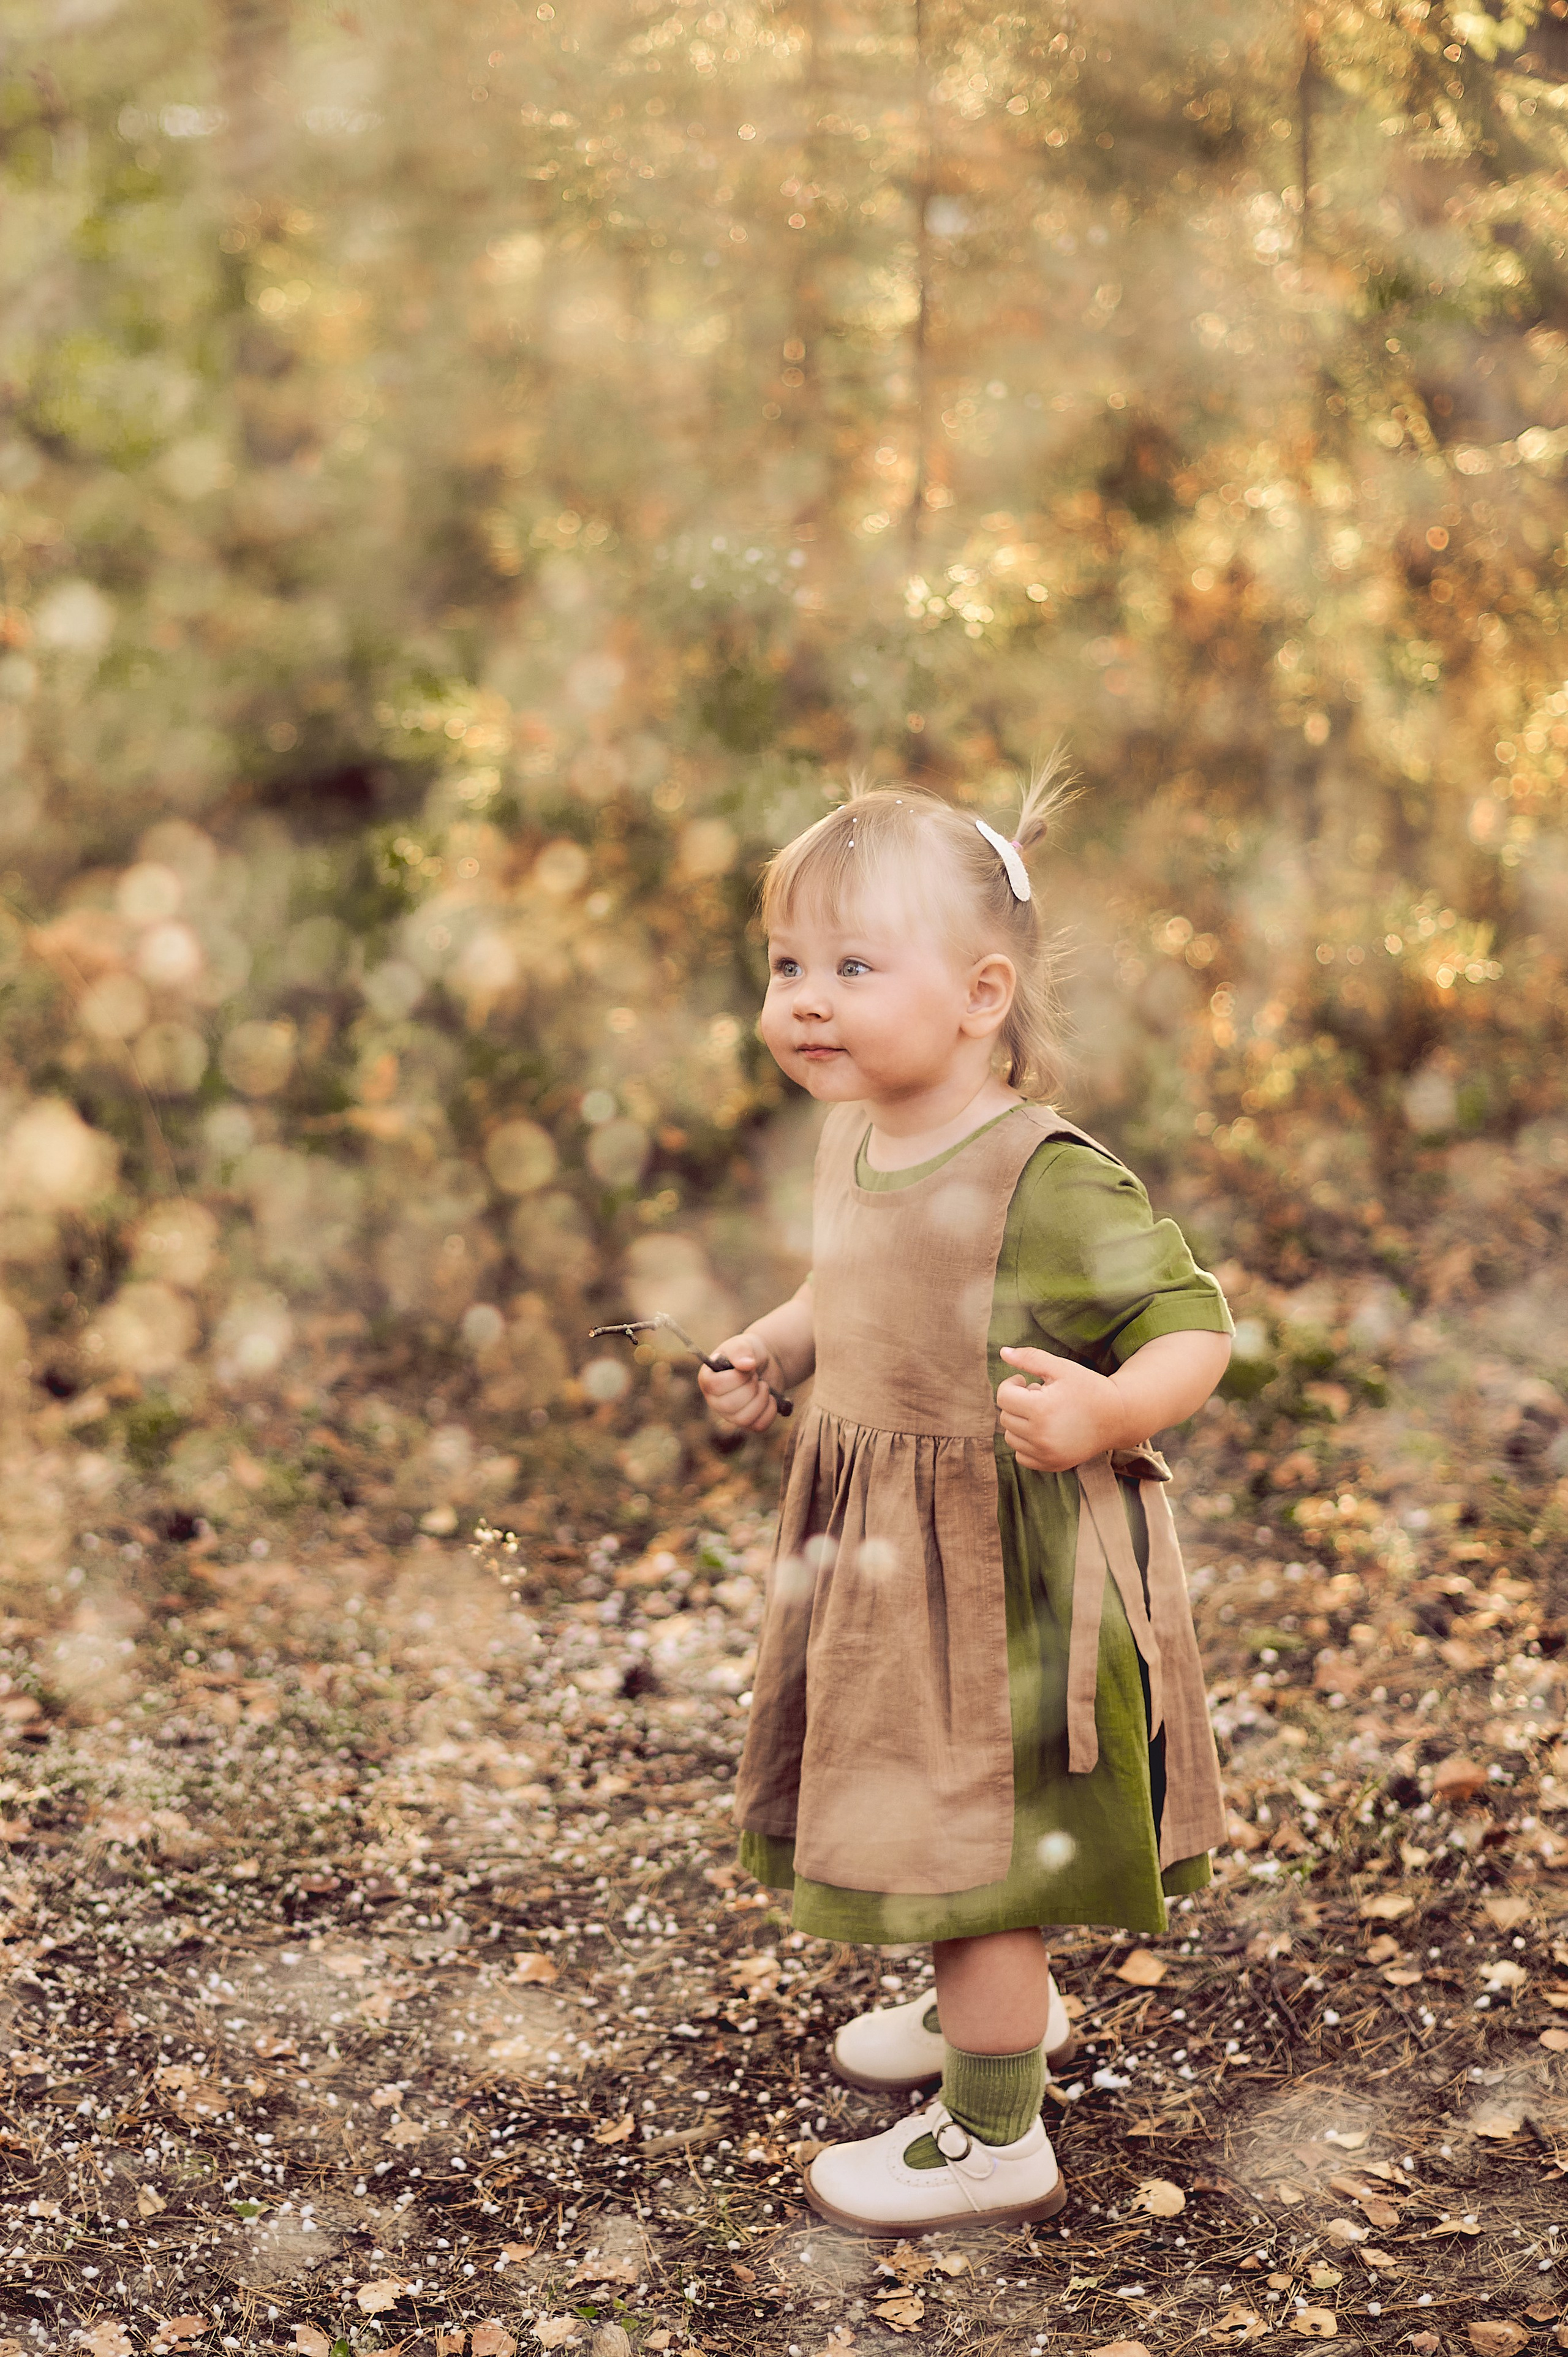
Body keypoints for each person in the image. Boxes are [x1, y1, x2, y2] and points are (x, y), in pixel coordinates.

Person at [698, 770, 1233, 2237]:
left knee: (974, 1837)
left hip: (1002, 1577)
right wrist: (776, 1346)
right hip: (887, 1558)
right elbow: (845, 1280)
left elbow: (1194, 1321)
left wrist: (1107, 1409)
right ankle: (989, 2017)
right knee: (921, 1806)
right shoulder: (858, 1129)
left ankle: (997, 2130)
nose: (805, 999)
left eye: (852, 967)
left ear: (980, 994)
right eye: (786, 965)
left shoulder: (1040, 1177)